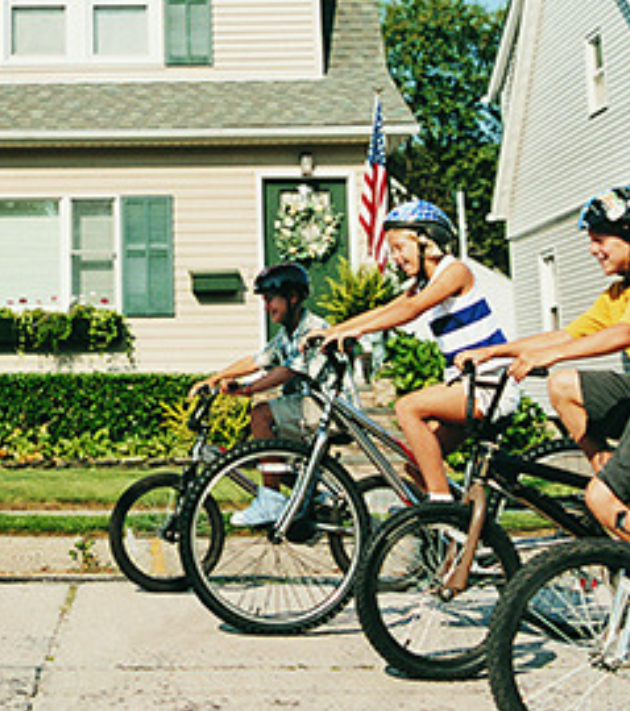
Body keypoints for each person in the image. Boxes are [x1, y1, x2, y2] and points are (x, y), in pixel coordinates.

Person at [457, 185, 630, 544]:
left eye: (600, 239)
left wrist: (551, 356)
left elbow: (626, 333)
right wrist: (494, 352)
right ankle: (604, 465)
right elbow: (567, 336)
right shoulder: (620, 292)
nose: (593, 249)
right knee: (563, 385)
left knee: (601, 500)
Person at [307, 199, 518, 499]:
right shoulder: (423, 284)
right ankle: (456, 533)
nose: (395, 257)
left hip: (489, 386)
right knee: (417, 465)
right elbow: (388, 309)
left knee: (407, 407)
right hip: (467, 386)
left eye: (399, 248)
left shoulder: (455, 271)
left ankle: (440, 508)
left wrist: (357, 331)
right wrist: (335, 330)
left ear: (426, 241)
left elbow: (413, 308)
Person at [190, 262, 327, 526]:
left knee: (262, 414)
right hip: (306, 410)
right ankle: (315, 497)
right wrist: (215, 378)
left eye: (270, 300)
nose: (267, 307)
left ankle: (271, 500)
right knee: (266, 452)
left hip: (326, 409)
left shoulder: (313, 328)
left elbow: (289, 372)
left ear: (293, 297)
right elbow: (257, 360)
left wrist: (248, 389)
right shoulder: (287, 333)